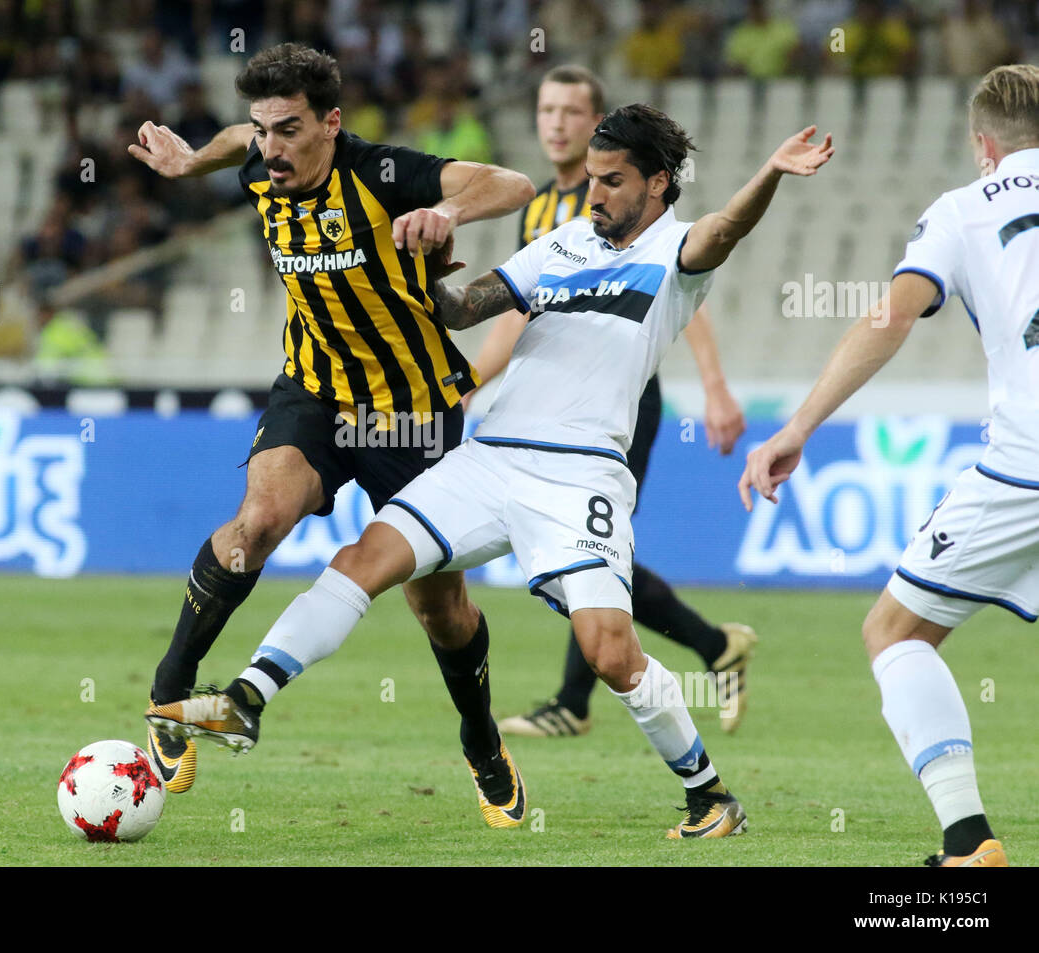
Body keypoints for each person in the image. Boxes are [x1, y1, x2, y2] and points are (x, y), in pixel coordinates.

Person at [157, 105, 833, 836]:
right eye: (593, 179)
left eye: (612, 182)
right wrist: (420, 271)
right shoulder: (564, 242)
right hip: (491, 457)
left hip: (582, 478)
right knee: (363, 559)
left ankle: (708, 794)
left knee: (609, 652)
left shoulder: (675, 255)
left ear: (659, 182)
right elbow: (463, 308)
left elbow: (725, 229)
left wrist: (768, 172)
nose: (595, 193)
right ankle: (247, 700)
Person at [129, 43, 537, 824]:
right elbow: (230, 142)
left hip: (411, 409)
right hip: (313, 390)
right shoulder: (258, 159)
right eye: (262, 130)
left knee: (440, 609)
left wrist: (446, 212)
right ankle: (171, 689)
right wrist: (190, 164)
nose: (270, 148)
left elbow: (513, 185)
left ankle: (482, 741)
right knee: (257, 522)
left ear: (331, 124)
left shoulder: (385, 173)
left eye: (288, 130)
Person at [740, 64, 1039, 867]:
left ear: (984, 146)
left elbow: (892, 315)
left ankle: (968, 840)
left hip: (1026, 467)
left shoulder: (963, 210)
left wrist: (798, 425)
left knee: (895, 631)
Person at [467, 65, 754, 741]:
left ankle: (574, 700)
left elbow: (683, 291)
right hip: (553, 398)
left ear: (599, 125)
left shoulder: (626, 205)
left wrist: (714, 386)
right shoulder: (541, 209)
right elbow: (520, 309)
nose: (556, 123)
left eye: (571, 111)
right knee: (589, 552)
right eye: (546, 109)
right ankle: (714, 646)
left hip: (620, 400)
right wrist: (468, 381)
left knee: (590, 552)